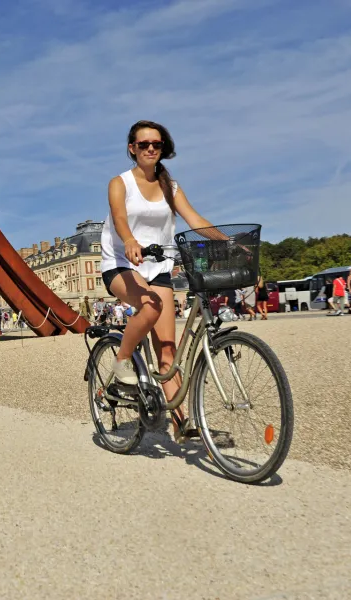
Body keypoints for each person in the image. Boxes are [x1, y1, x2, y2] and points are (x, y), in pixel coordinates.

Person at [100, 120, 219, 438]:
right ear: (132, 148)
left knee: (168, 350)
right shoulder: (120, 183)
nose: (150, 148)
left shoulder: (171, 187)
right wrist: (128, 240)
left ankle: (183, 424)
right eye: (143, 144)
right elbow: (120, 218)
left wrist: (228, 242)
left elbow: (194, 219)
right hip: (123, 265)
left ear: (163, 148)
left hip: (159, 269)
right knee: (149, 306)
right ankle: (121, 361)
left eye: (157, 144)